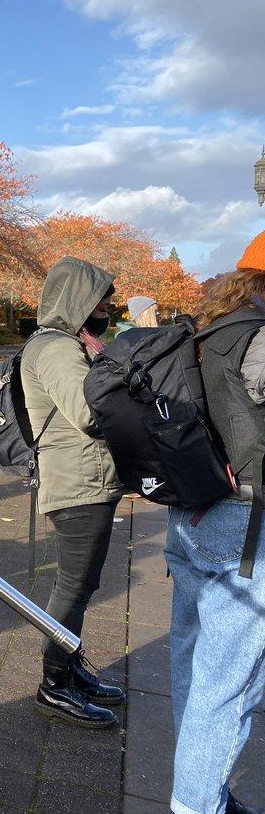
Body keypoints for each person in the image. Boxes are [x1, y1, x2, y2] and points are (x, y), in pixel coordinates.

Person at [165, 232, 265, 814]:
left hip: (193, 513)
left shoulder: (209, 332)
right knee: (229, 685)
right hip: (245, 526)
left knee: (194, 662)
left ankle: (205, 793)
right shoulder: (260, 337)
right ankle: (196, 804)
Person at [20, 256, 126, 728]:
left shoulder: (71, 343)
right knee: (73, 587)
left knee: (82, 585)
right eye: (102, 298)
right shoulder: (57, 348)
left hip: (87, 480)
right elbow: (87, 412)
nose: (109, 306)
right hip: (78, 484)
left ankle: (71, 668)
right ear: (78, 300)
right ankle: (54, 684)